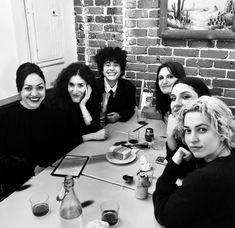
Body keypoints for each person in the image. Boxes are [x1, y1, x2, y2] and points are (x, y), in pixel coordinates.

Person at [153, 96, 235, 228]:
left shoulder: (203, 178)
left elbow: (164, 215)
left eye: (202, 129)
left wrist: (171, 168)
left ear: (221, 130)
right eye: (188, 130)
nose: (192, 139)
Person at [0, 62, 59, 197]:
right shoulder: (4, 117)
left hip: (49, 181)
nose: (34, 94)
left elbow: (56, 148)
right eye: (28, 88)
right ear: (19, 90)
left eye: (40, 88)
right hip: (18, 188)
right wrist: (32, 168)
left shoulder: (52, 113)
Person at [44, 62, 109, 152]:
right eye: (71, 84)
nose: (75, 91)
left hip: (81, 149)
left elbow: (94, 128)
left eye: (80, 85)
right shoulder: (56, 104)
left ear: (88, 87)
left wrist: (83, 106)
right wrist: (91, 136)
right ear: (66, 84)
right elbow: (60, 143)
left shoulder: (90, 98)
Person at [166, 77, 211, 161]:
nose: (176, 103)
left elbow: (185, 171)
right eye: (173, 98)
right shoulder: (183, 128)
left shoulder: (209, 132)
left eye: (185, 97)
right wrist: (170, 136)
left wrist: (170, 137)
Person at [94, 46, 136, 124]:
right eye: (108, 65)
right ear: (102, 70)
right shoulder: (93, 87)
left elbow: (130, 109)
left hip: (121, 128)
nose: (112, 68)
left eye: (116, 65)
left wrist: (120, 115)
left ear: (121, 70)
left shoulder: (129, 87)